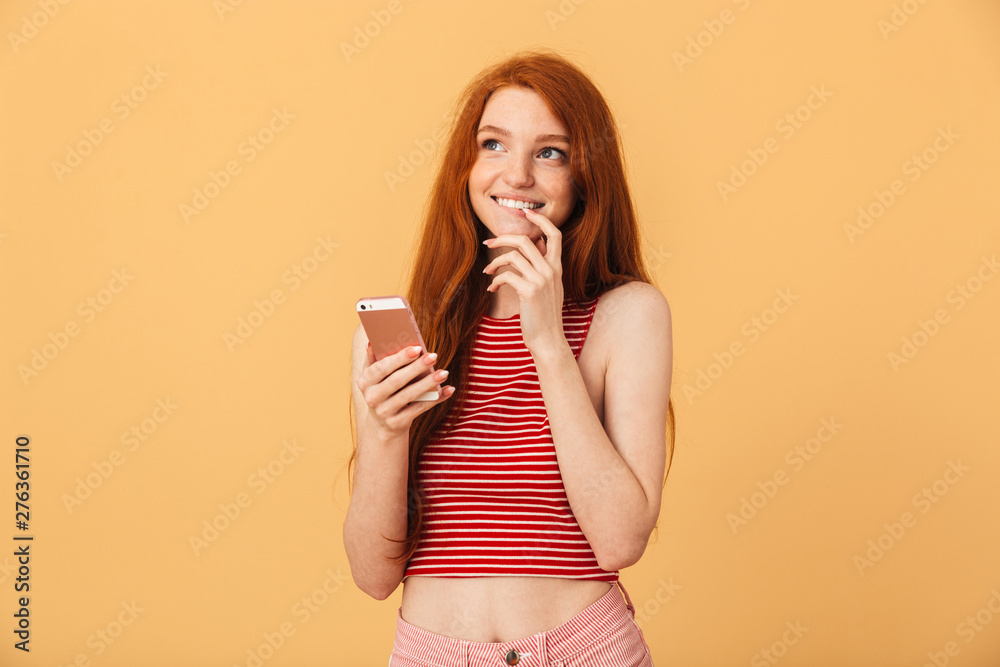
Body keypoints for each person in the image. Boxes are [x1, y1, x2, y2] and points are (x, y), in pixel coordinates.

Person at [344, 49, 675, 667]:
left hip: (582, 649)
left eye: (550, 152)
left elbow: (621, 539)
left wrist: (548, 343)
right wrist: (388, 434)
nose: (516, 175)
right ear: (465, 165)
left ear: (585, 179)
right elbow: (372, 575)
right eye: (493, 145)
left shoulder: (628, 315)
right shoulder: (401, 331)